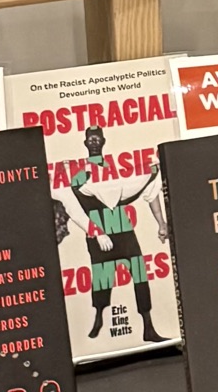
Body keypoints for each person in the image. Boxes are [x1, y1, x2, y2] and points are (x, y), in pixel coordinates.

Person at [67, 124, 168, 345]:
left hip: (124, 230)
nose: (94, 142)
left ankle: (148, 327)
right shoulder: (80, 174)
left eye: (97, 139)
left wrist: (161, 223)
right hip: (99, 233)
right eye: (90, 139)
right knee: (102, 279)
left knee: (139, 275)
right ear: (85, 143)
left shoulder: (118, 170)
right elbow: (77, 204)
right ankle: (98, 320)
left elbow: (149, 192)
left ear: (103, 141)